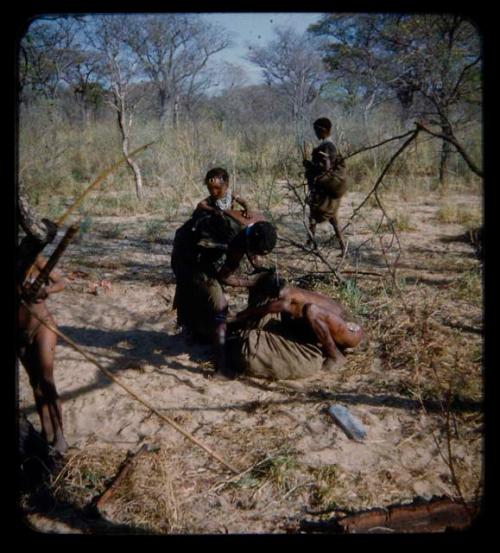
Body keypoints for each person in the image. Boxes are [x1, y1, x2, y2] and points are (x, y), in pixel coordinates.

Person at [171, 201, 278, 380]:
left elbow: (251, 250)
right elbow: (224, 277)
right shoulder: (232, 241)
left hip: (196, 242)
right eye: (256, 252)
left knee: (204, 298)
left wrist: (258, 268)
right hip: (188, 256)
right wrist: (252, 282)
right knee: (220, 307)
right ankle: (220, 367)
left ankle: (197, 332)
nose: (257, 257)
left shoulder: (257, 222)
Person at [234, 271, 364, 371]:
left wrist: (245, 313)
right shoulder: (291, 293)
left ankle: (334, 356)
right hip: (346, 327)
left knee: (311, 310)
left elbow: (270, 308)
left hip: (350, 334)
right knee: (304, 314)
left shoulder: (286, 298)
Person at [17, 254, 68, 454]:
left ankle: (60, 436)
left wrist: (46, 290)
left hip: (43, 325)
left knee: (46, 379)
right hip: (20, 333)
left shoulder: (35, 258)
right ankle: (47, 435)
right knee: (35, 384)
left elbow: (61, 282)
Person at [303, 117, 348, 256]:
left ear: (323, 130)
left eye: (317, 130)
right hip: (329, 188)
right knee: (327, 218)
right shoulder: (329, 144)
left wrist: (310, 166)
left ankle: (312, 244)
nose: (315, 133)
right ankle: (314, 244)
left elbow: (326, 168)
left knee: (318, 215)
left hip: (327, 189)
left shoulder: (328, 146)